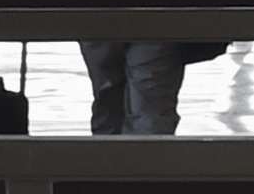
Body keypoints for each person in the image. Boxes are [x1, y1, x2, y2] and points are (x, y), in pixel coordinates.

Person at [76, 42, 225, 136]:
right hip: (157, 15)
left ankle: (105, 172)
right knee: (151, 108)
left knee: (107, 102)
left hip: (98, 15)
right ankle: (146, 174)